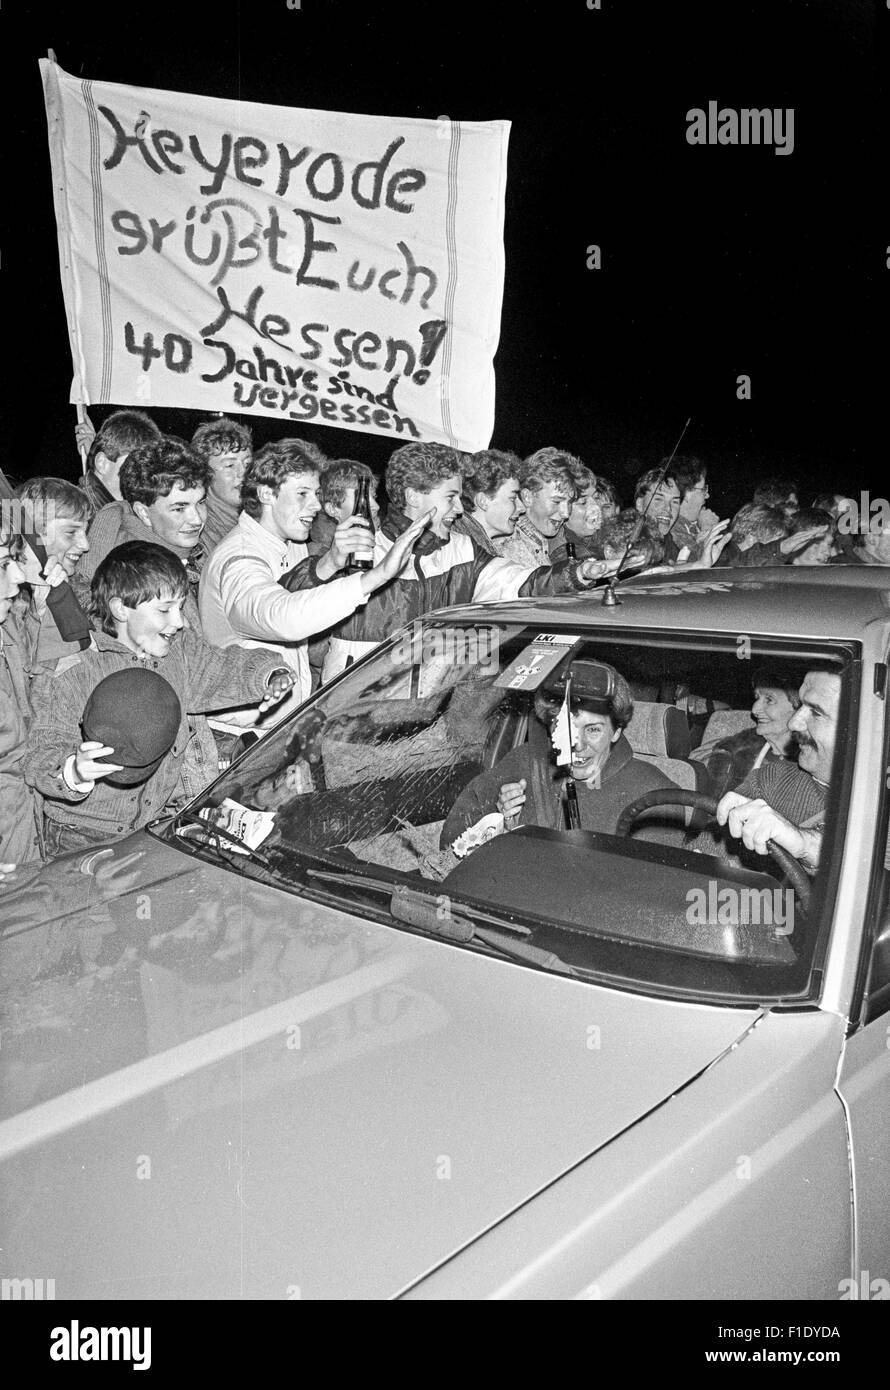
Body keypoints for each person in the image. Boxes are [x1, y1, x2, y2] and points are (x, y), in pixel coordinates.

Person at [28, 541, 296, 854]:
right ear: (120, 609)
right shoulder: (74, 666)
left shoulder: (178, 653)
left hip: (149, 827)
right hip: (79, 834)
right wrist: (74, 770)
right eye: (165, 609)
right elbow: (41, 751)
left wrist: (269, 673)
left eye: (180, 608)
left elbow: (223, 665)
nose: (179, 621)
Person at [296, 441, 618, 682]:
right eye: (450, 497)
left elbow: (520, 583)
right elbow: (288, 607)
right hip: (355, 736)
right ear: (413, 497)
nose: (460, 509)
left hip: (428, 735)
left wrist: (578, 574)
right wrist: (329, 564)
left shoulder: (463, 550)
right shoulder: (364, 553)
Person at [199, 438, 431, 709]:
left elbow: (299, 594)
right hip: (241, 736)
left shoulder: (292, 543)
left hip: (280, 719)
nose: (317, 506)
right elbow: (283, 617)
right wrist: (375, 577)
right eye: (302, 494)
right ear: (266, 494)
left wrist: (331, 561)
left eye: (316, 494)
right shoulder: (237, 558)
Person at [441, 661, 681, 847]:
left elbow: (647, 893)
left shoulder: (654, 795)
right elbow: (452, 843)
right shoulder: (525, 762)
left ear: (617, 731)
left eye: (593, 729)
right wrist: (500, 827)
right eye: (565, 727)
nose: (577, 744)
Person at [716, 668, 840, 875]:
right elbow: (712, 845)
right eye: (800, 706)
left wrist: (806, 844)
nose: (793, 723)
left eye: (816, 712)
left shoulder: (881, 812)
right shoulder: (772, 777)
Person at [81, 437, 211, 592]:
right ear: (144, 513)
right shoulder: (132, 574)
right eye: (179, 509)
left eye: (201, 503)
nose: (197, 519)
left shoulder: (190, 549)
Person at [12, 477, 93, 677]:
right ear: (33, 535)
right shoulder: (6, 603)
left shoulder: (83, 594)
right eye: (71, 532)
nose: (85, 545)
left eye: (85, 531)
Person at [0, 521, 42, 876]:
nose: (16, 578)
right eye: (2, 565)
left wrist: (52, 598)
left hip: (25, 842)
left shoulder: (10, 628)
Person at [695, 667, 802, 800]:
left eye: (769, 700)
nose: (755, 709)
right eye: (757, 697)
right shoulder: (737, 748)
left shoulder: (812, 764)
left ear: (798, 708)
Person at [497, 448, 577, 565]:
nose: (566, 514)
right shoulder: (510, 547)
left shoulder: (537, 540)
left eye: (569, 502)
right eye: (556, 501)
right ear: (527, 497)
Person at [190, 417, 253, 556]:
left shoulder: (258, 520)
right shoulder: (198, 535)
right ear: (205, 474)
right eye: (230, 465)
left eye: (247, 464)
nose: (243, 473)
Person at [79, 409, 161, 513]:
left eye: (149, 468)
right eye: (134, 467)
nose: (144, 476)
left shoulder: (134, 513)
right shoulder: (60, 510)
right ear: (102, 464)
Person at [453, 449, 525, 556]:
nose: (522, 508)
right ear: (483, 501)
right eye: (513, 498)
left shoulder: (472, 546)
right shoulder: (463, 550)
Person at [308, 459, 382, 557]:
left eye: (374, 496)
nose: (376, 506)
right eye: (362, 497)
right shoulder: (315, 561)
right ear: (333, 509)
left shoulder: (383, 546)